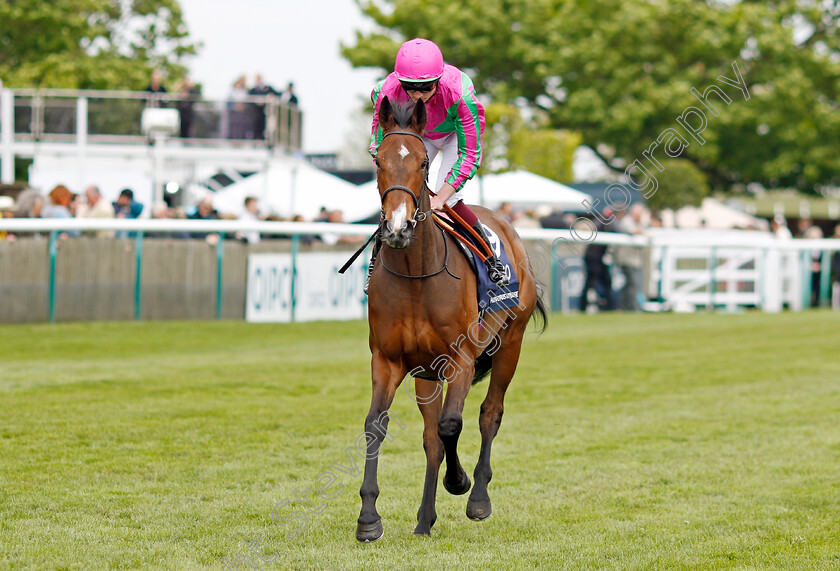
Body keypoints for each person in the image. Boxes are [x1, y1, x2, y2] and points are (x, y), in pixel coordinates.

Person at [366, 37, 507, 288]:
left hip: (454, 135)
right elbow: (379, 145)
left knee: (448, 197)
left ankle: (489, 256)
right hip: (417, 133)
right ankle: (375, 259)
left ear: (439, 80)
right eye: (410, 87)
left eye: (426, 86)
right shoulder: (383, 93)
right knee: (399, 188)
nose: (417, 94)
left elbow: (470, 155)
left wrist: (440, 196)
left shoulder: (461, 96)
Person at [580, 214, 615, 312]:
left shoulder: (600, 223)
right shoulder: (605, 224)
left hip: (596, 258)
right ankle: (607, 306)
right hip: (594, 258)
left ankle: (608, 306)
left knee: (601, 282)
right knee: (591, 283)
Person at [249, 75, 278, 140]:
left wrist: (270, 96)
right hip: (256, 112)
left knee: (268, 126)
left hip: (266, 112)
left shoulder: (268, 88)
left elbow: (277, 94)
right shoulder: (253, 89)